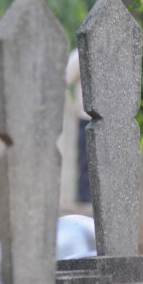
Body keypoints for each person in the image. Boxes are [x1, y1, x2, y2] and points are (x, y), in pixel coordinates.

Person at [65, 48, 91, 203]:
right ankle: (85, 203)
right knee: (87, 163)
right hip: (87, 116)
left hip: (113, 119)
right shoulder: (81, 53)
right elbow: (64, 78)